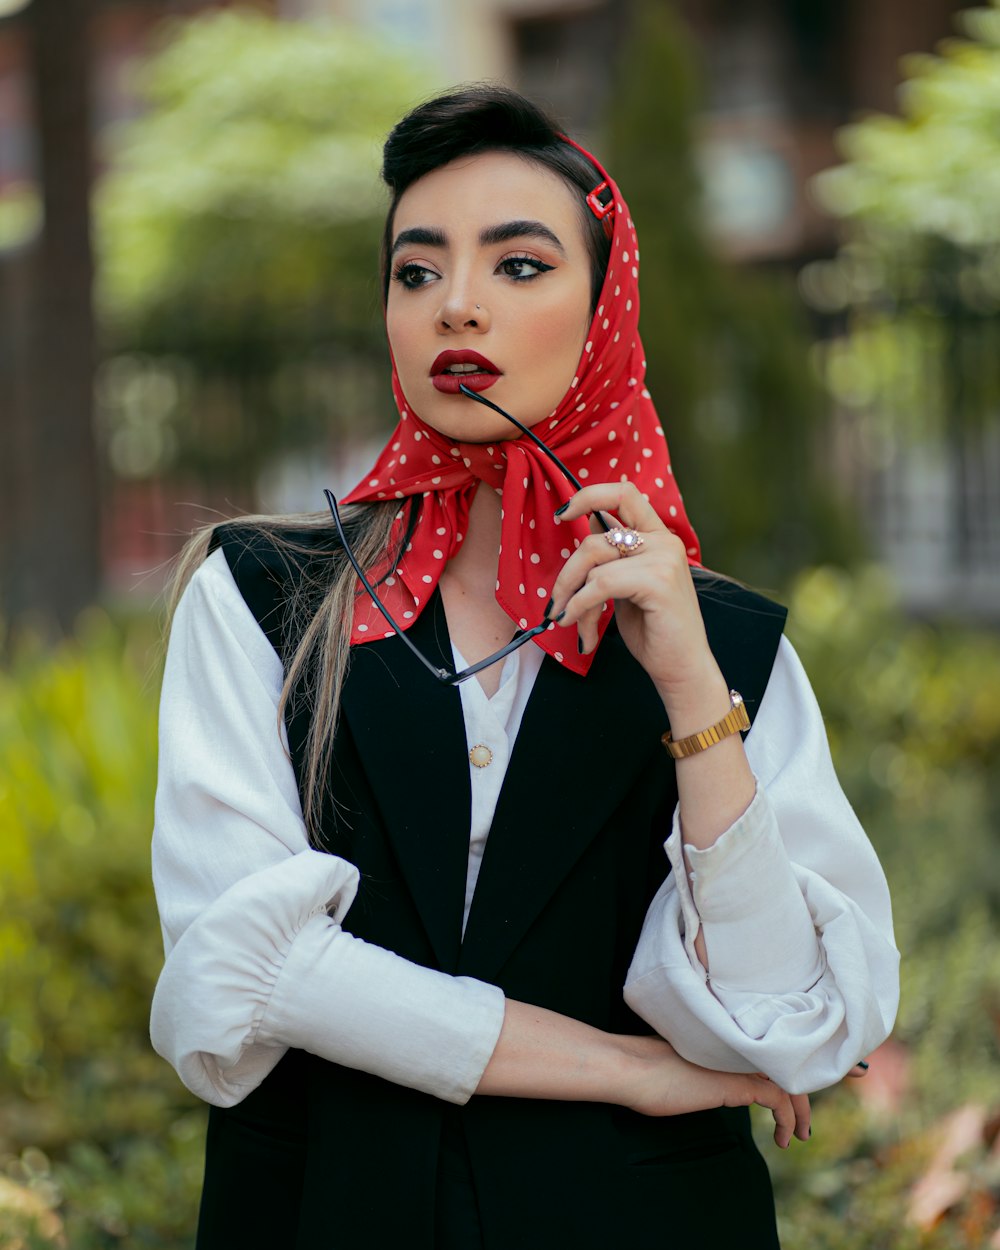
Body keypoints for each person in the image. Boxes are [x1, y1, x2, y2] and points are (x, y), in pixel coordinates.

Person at [150, 85, 899, 1249]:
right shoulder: (259, 596)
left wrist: (695, 697)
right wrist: (622, 1067)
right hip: (321, 1211)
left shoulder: (725, 642)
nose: (457, 306)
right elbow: (253, 965)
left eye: (518, 266)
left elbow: (787, 1021)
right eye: (415, 271)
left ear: (605, 307)